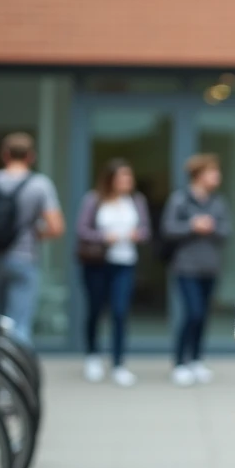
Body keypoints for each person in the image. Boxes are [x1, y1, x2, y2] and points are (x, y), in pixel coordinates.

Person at [0, 132, 64, 342]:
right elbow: (56, 227)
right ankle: (16, 370)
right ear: (31, 156)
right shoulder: (39, 185)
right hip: (24, 257)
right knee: (19, 322)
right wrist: (36, 233)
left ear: (4, 154)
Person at [77, 158, 150, 388]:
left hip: (125, 262)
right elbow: (82, 230)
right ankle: (93, 356)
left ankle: (118, 363)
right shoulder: (93, 200)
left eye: (129, 176)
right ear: (111, 179)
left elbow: (146, 230)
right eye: (122, 177)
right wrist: (103, 237)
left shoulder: (136, 201)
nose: (127, 181)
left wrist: (138, 234)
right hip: (97, 262)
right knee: (96, 309)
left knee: (120, 311)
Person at [161, 153, 231, 387]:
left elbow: (225, 232)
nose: (217, 176)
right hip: (186, 267)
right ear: (199, 175)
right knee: (193, 313)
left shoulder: (217, 202)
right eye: (213, 172)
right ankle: (180, 362)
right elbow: (168, 229)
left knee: (203, 317)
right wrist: (192, 226)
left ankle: (197, 360)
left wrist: (210, 227)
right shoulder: (180, 200)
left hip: (209, 268)